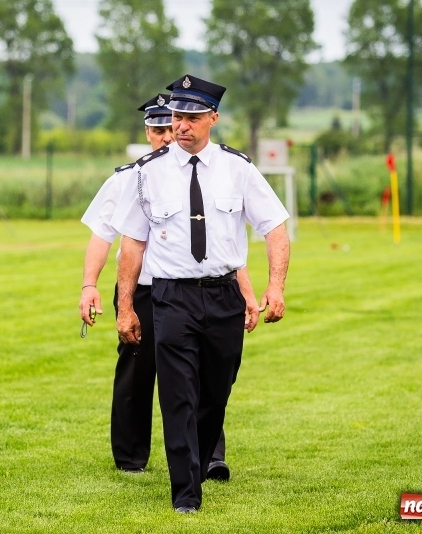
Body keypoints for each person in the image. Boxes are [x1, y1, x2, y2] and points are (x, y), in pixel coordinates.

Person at [111, 74, 290, 513]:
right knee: (177, 396)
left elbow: (275, 228)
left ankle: (201, 455)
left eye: (191, 117)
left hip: (224, 296)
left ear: (213, 118)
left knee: (215, 393)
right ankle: (186, 493)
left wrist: (274, 286)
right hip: (172, 298)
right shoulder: (147, 173)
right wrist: (125, 306)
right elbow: (132, 244)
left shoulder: (238, 168)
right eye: (177, 116)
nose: (182, 125)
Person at [79, 93, 252, 477]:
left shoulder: (209, 170)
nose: (166, 136)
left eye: (168, 127)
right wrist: (89, 285)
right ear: (149, 131)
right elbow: (102, 236)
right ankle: (131, 457)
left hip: (195, 289)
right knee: (137, 373)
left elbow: (224, 246)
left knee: (202, 376)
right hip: (143, 290)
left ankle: (210, 456)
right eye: (158, 129)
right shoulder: (129, 177)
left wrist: (247, 293)